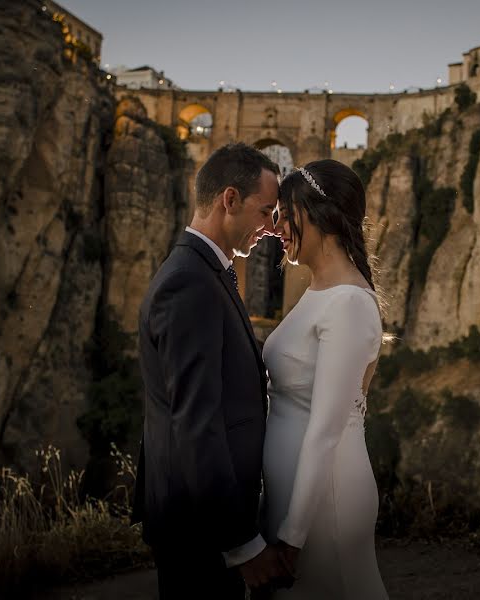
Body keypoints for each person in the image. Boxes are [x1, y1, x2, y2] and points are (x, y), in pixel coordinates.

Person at [131, 143, 293, 598]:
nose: (270, 228)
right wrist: (239, 540)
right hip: (199, 524)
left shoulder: (204, 271)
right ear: (229, 200)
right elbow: (197, 422)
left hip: (200, 516)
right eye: (266, 211)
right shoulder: (189, 282)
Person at [260, 159, 389, 598]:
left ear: (321, 215)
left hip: (326, 502)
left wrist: (292, 534)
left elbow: (325, 431)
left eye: (285, 213)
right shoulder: (318, 291)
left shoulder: (350, 303)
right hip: (299, 498)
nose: (277, 226)